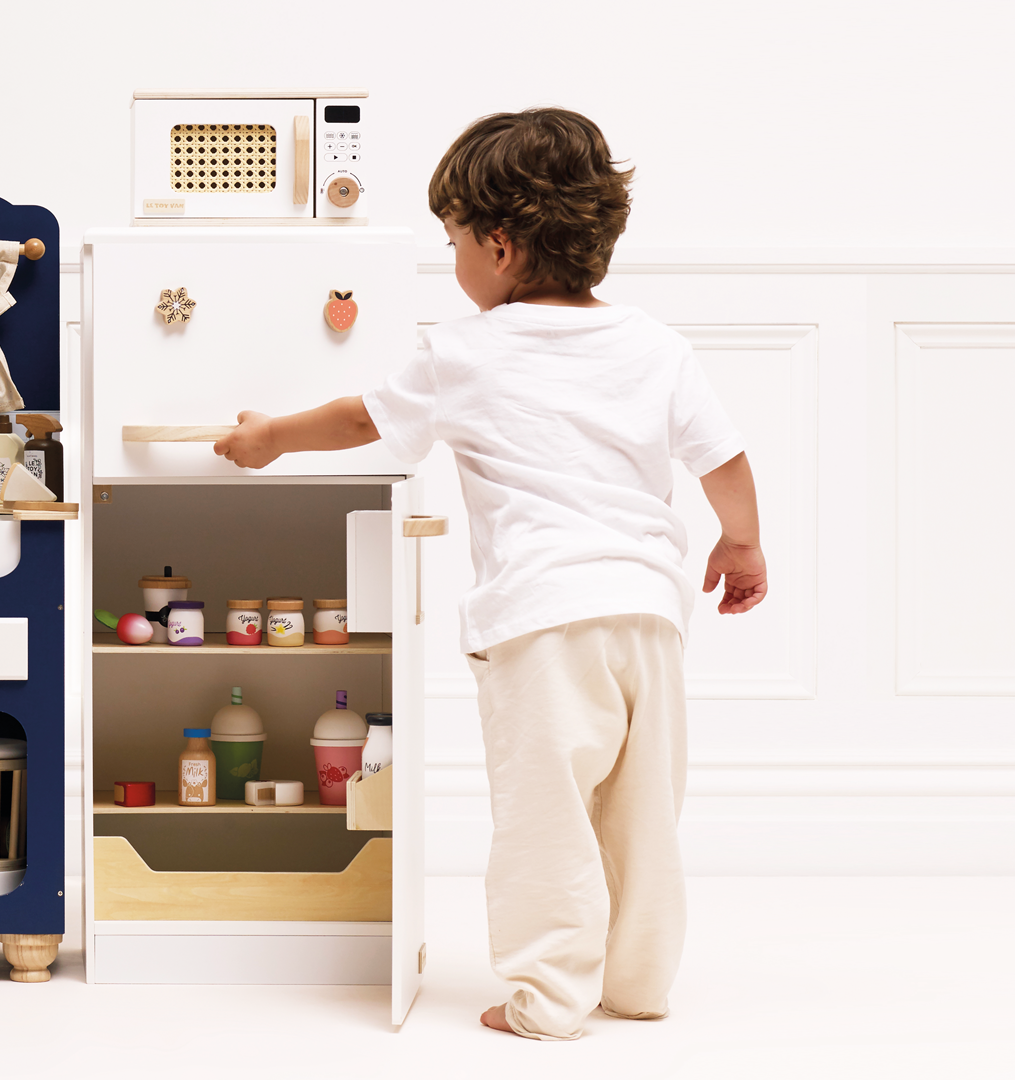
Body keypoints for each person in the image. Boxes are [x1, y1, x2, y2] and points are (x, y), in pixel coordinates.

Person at [211, 106, 763, 1041]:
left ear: (499, 247)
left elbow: (361, 419)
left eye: (454, 242)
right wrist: (740, 544)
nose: (455, 261)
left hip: (541, 619)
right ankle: (637, 981)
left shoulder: (466, 351)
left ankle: (548, 998)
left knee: (547, 813)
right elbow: (724, 457)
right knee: (642, 811)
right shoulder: (656, 345)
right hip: (648, 612)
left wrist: (270, 438)